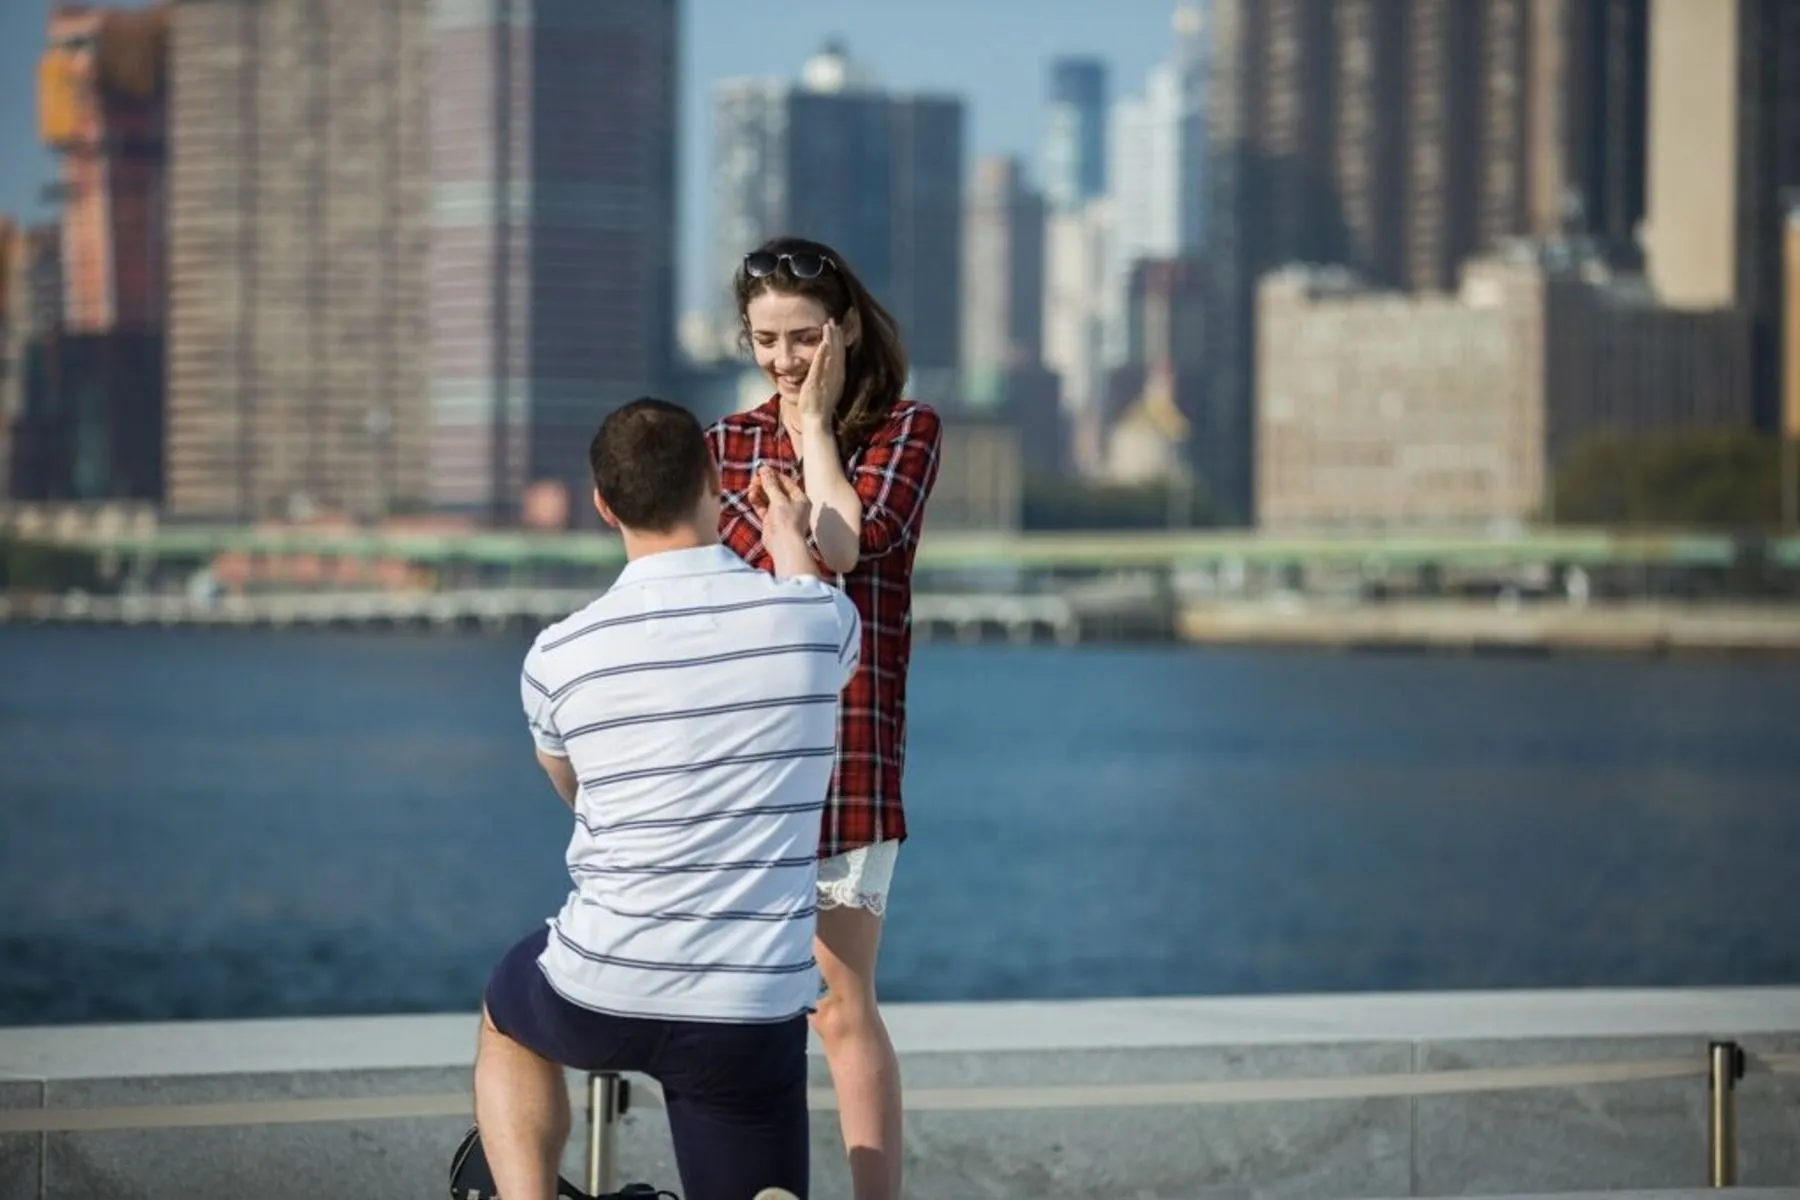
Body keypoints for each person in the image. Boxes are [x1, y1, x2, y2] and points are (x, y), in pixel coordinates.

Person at [473, 397, 861, 1200]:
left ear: (603, 505)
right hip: (749, 1004)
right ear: (713, 483)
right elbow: (817, 618)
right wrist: (791, 541)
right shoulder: (816, 621)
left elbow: (578, 793)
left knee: (507, 1014)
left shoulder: (559, 656)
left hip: (600, 982)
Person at [708, 237, 943, 1200]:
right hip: (748, 757)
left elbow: (845, 546)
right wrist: (794, 528)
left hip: (849, 757)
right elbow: (759, 579)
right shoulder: (723, 444)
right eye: (767, 340)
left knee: (840, 1006)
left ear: (843, 329)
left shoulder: (908, 429)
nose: (784, 359)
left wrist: (811, 429)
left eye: (804, 337)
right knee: (737, 1007)